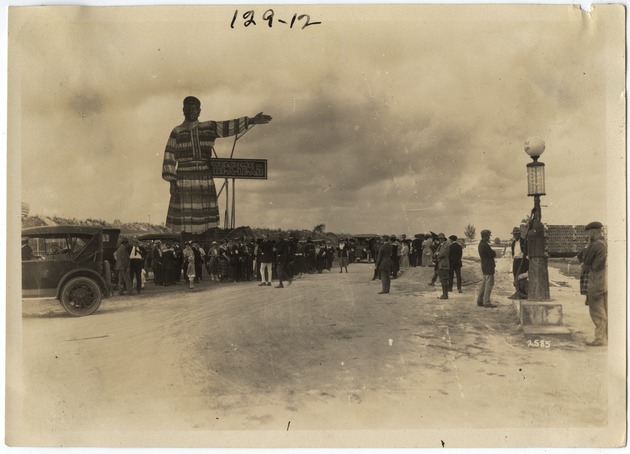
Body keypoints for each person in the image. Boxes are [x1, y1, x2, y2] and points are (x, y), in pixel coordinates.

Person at [162, 96, 272, 233]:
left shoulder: (209, 127)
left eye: (195, 108)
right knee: (184, 223)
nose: (192, 111)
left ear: (200, 110)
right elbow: (169, 155)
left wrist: (251, 121)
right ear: (183, 110)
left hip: (205, 177)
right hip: (184, 179)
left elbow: (227, 126)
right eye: (189, 108)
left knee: (206, 222)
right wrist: (172, 182)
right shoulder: (176, 132)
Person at [580, 221, 607, 347]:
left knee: (597, 311)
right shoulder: (605, 243)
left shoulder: (595, 245)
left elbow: (586, 261)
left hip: (596, 279)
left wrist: (589, 245)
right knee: (606, 309)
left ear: (593, 231)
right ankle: (607, 337)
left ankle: (600, 339)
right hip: (605, 280)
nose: (588, 234)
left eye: (589, 232)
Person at [476, 229, 497, 308]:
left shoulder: (481, 244)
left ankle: (480, 300)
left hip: (484, 266)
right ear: (486, 236)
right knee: (489, 284)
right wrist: (493, 253)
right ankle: (486, 302)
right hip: (488, 266)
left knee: (484, 284)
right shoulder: (485, 245)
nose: (489, 238)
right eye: (488, 236)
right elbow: (493, 254)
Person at [508, 227, 528, 300]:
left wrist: (524, 258)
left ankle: (523, 293)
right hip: (516, 261)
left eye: (516, 234)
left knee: (521, 277)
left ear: (519, 234)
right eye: (514, 234)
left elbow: (527, 251)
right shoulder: (513, 242)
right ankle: (517, 292)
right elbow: (513, 252)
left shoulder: (524, 241)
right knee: (515, 276)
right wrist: (514, 257)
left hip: (522, 261)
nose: (514, 236)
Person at [434, 233, 451, 299]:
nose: (440, 239)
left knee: (444, 280)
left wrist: (437, 254)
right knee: (442, 280)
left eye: (441, 238)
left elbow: (441, 254)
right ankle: (444, 294)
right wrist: (437, 254)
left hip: (444, 264)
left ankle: (445, 295)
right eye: (439, 238)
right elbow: (435, 253)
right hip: (440, 264)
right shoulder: (440, 246)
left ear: (444, 239)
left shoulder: (446, 245)